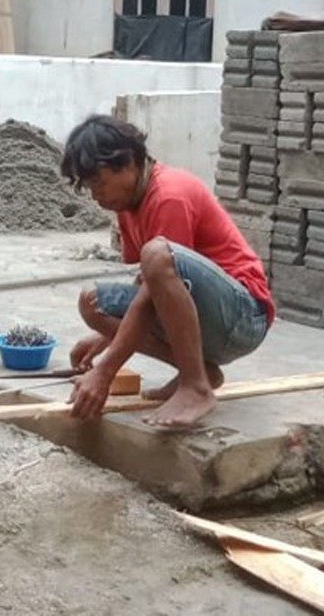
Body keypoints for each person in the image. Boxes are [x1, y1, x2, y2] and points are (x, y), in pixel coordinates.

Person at [61, 115, 274, 429]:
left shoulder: (169, 195)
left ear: (129, 163)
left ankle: (196, 387)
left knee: (158, 255)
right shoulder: (128, 204)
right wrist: (107, 334)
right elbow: (149, 285)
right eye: (90, 187)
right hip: (204, 313)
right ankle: (202, 371)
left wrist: (105, 371)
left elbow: (155, 283)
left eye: (99, 183)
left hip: (243, 316)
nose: (96, 195)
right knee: (92, 302)